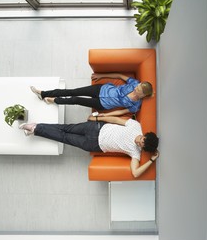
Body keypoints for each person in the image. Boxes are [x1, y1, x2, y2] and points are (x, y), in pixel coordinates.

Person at [19, 115, 159, 178]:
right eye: (143, 138)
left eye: (142, 144)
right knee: (65, 128)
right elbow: (115, 120)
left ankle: (35, 129)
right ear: (145, 134)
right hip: (95, 128)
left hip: (93, 144)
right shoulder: (136, 126)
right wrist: (97, 118)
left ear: (143, 147)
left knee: (64, 137)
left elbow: (135, 173)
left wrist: (152, 160)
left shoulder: (135, 152)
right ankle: (36, 128)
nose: (140, 141)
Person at [30, 73, 153, 116]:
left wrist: (105, 116)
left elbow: (122, 112)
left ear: (142, 95)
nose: (136, 87)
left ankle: (54, 100)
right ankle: (43, 93)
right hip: (101, 89)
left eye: (138, 89)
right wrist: (101, 76)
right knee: (73, 91)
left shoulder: (136, 105)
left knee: (76, 99)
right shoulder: (133, 83)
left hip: (102, 104)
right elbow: (119, 76)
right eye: (138, 86)